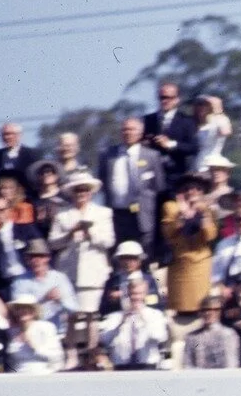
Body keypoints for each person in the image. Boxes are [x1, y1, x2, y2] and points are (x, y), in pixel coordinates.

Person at [160, 171, 218, 347]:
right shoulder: (171, 207)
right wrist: (183, 215)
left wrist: (201, 212)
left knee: (203, 308)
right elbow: (169, 234)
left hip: (201, 265)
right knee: (181, 313)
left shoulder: (208, 208)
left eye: (197, 188)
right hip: (181, 266)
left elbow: (210, 235)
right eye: (188, 188)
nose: (192, 191)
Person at [47, 170, 115, 314]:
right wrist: (70, 233)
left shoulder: (103, 213)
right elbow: (52, 243)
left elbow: (109, 241)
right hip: (68, 272)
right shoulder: (61, 214)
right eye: (77, 190)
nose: (81, 193)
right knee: (71, 317)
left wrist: (90, 234)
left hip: (94, 273)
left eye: (85, 190)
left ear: (91, 192)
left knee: (92, 316)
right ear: (72, 192)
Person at [97, 117, 166, 254]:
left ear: (140, 133)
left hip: (141, 215)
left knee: (143, 256)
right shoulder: (108, 155)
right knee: (118, 255)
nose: (127, 132)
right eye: (124, 129)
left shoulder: (152, 156)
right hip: (117, 215)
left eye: (132, 129)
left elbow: (159, 186)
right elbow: (102, 183)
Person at [97, 276, 169, 370]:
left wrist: (143, 317)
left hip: (147, 365)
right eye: (133, 294)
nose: (135, 297)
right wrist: (121, 322)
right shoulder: (115, 317)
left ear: (145, 294)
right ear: (127, 294)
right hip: (121, 366)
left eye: (139, 294)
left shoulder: (155, 314)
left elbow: (159, 336)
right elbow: (105, 341)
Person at [144, 81, 198, 196]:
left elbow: (193, 147)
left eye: (169, 97)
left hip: (176, 178)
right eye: (161, 97)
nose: (165, 101)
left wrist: (171, 144)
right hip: (152, 178)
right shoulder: (148, 120)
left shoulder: (187, 121)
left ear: (177, 99)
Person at [101, 240, 162, 315]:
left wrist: (141, 297)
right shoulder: (112, 282)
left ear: (139, 260)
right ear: (118, 260)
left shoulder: (148, 279)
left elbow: (156, 301)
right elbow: (103, 309)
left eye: (132, 258)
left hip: (144, 315)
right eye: (124, 258)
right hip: (120, 317)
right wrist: (111, 300)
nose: (128, 262)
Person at [182, 290, 240, 369]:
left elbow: (231, 364)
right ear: (200, 313)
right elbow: (188, 365)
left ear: (220, 312)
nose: (208, 313)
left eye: (214, 310)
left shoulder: (228, 334)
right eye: (205, 310)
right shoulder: (191, 337)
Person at [0, 122, 42, 186]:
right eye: (4, 134)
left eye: (10, 134)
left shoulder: (31, 154)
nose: (7, 137)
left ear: (19, 135)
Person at [191, 94, 232, 171]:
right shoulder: (192, 123)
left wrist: (217, 111)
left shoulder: (220, 120)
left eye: (205, 105)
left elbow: (225, 132)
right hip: (195, 164)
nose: (201, 108)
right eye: (199, 104)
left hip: (211, 164)